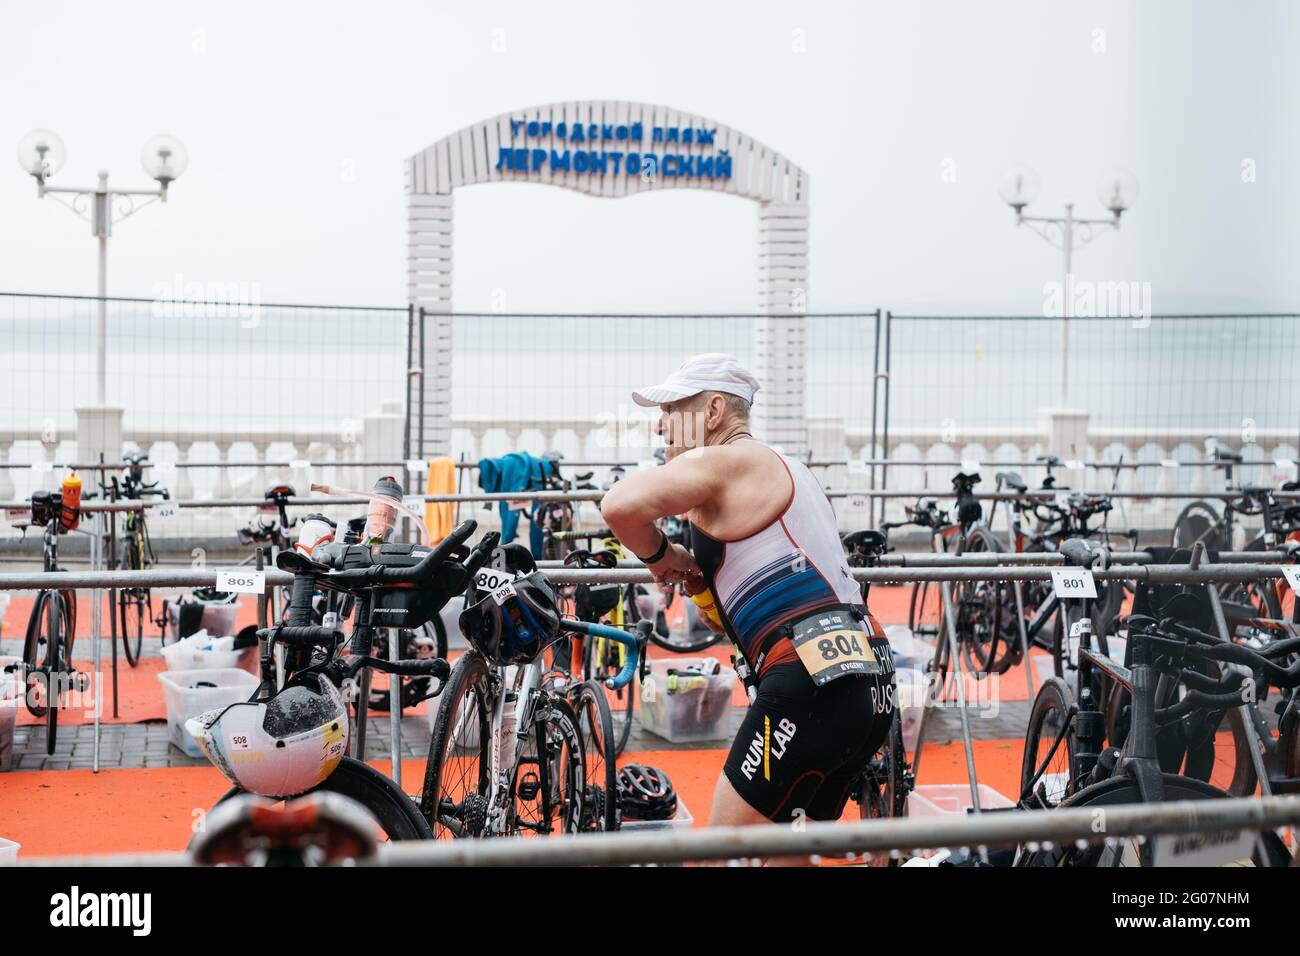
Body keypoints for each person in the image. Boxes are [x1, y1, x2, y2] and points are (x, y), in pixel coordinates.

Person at [600, 353, 895, 851]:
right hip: (869, 676)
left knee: (721, 853)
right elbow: (734, 610)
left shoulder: (728, 459)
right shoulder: (784, 467)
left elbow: (619, 506)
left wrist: (658, 554)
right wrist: (696, 581)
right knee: (785, 855)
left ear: (713, 411)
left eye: (672, 410)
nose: (659, 427)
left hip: (810, 681)